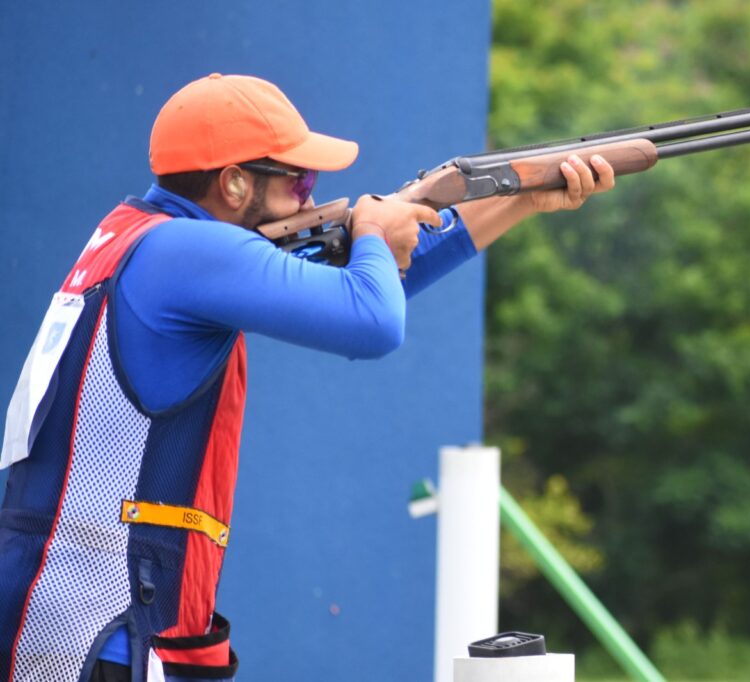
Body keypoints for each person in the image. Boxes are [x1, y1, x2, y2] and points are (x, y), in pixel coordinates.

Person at [0, 73, 615, 682]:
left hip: (78, 610)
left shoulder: (143, 237)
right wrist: (373, 231)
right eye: (298, 179)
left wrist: (522, 197)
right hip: (98, 628)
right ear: (234, 183)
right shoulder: (188, 252)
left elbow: (379, 289)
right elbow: (372, 323)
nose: (308, 196)